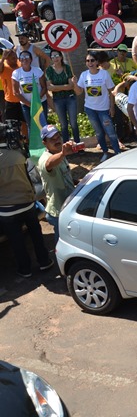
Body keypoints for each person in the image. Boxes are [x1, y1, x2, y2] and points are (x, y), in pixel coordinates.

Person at [0, 136, 53, 278]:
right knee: (36, 234)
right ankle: (44, 261)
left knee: (16, 241)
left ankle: (25, 270)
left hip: (7, 210)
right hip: (27, 203)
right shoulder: (18, 156)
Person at [73, 51, 120, 162]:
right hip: (90, 109)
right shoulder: (84, 75)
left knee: (111, 132)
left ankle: (118, 152)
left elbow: (111, 91)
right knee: (99, 133)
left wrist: (112, 107)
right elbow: (79, 92)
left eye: (92, 60)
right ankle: (105, 152)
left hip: (104, 109)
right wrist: (74, 84)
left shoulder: (104, 74)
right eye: (88, 61)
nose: (90, 63)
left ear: (97, 62)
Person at [37, 124, 76, 244]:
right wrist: (63, 154)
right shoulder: (46, 158)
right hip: (58, 212)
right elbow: (49, 164)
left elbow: (65, 175)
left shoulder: (60, 153)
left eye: (58, 136)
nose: (57, 140)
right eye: (52, 139)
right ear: (44, 143)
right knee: (63, 243)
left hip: (68, 206)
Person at [46, 50, 80, 145]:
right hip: (58, 100)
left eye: (57, 56)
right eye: (52, 57)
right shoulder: (49, 70)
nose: (55, 58)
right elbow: (49, 87)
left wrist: (56, 87)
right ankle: (66, 145)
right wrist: (64, 87)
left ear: (61, 57)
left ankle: (77, 144)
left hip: (70, 98)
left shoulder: (67, 68)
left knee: (73, 123)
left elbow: (71, 86)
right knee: (63, 125)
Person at [12, 50, 48, 127]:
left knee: (43, 125)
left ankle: (45, 139)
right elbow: (16, 92)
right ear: (19, 60)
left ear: (31, 59)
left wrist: (37, 100)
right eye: (22, 57)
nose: (24, 59)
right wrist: (28, 104)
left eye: (27, 57)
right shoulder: (16, 73)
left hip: (40, 102)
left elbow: (44, 87)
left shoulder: (37, 70)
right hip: (26, 105)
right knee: (31, 126)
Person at [1, 48, 22, 128]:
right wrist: (3, 58)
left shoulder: (20, 64)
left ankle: (26, 139)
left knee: (24, 123)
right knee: (11, 125)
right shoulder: (4, 65)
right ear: (7, 59)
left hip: (23, 99)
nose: (15, 59)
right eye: (12, 58)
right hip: (10, 101)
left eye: (15, 57)